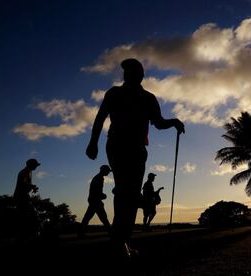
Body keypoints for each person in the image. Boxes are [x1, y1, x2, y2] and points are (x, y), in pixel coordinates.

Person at [85, 58, 185, 258]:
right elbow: (100, 117)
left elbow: (158, 122)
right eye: (126, 72)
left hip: (138, 149)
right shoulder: (114, 93)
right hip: (116, 146)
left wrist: (173, 121)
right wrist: (93, 142)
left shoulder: (148, 98)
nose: (128, 75)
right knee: (124, 192)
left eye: (132, 71)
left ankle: (122, 240)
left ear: (141, 75)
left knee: (129, 194)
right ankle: (119, 242)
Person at [79, 165, 112, 237]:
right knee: (103, 217)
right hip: (95, 200)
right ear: (104, 170)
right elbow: (96, 191)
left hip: (94, 200)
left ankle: (81, 233)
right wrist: (103, 195)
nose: (109, 173)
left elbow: (96, 191)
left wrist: (101, 195)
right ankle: (111, 232)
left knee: (89, 217)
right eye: (108, 171)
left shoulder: (98, 177)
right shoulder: (99, 178)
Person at [13, 158, 40, 239]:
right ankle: (26, 236)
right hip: (21, 197)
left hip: (23, 196)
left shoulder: (28, 171)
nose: (36, 167)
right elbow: (22, 183)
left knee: (25, 217)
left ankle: (24, 236)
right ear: (31, 165)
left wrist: (32, 187)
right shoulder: (25, 171)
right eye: (35, 165)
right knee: (28, 216)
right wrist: (32, 186)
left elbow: (25, 184)